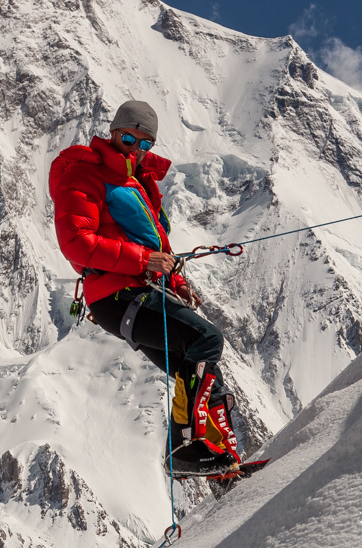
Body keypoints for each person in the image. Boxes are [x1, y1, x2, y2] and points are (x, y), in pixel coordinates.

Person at [48, 100, 240, 472]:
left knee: (200, 370)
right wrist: (143, 262)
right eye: (127, 137)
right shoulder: (84, 175)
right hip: (116, 295)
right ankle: (183, 449)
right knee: (206, 341)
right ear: (113, 132)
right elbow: (76, 242)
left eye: (144, 143)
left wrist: (176, 281)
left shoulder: (136, 182)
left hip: (138, 291)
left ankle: (223, 464)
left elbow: (154, 246)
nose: (134, 149)